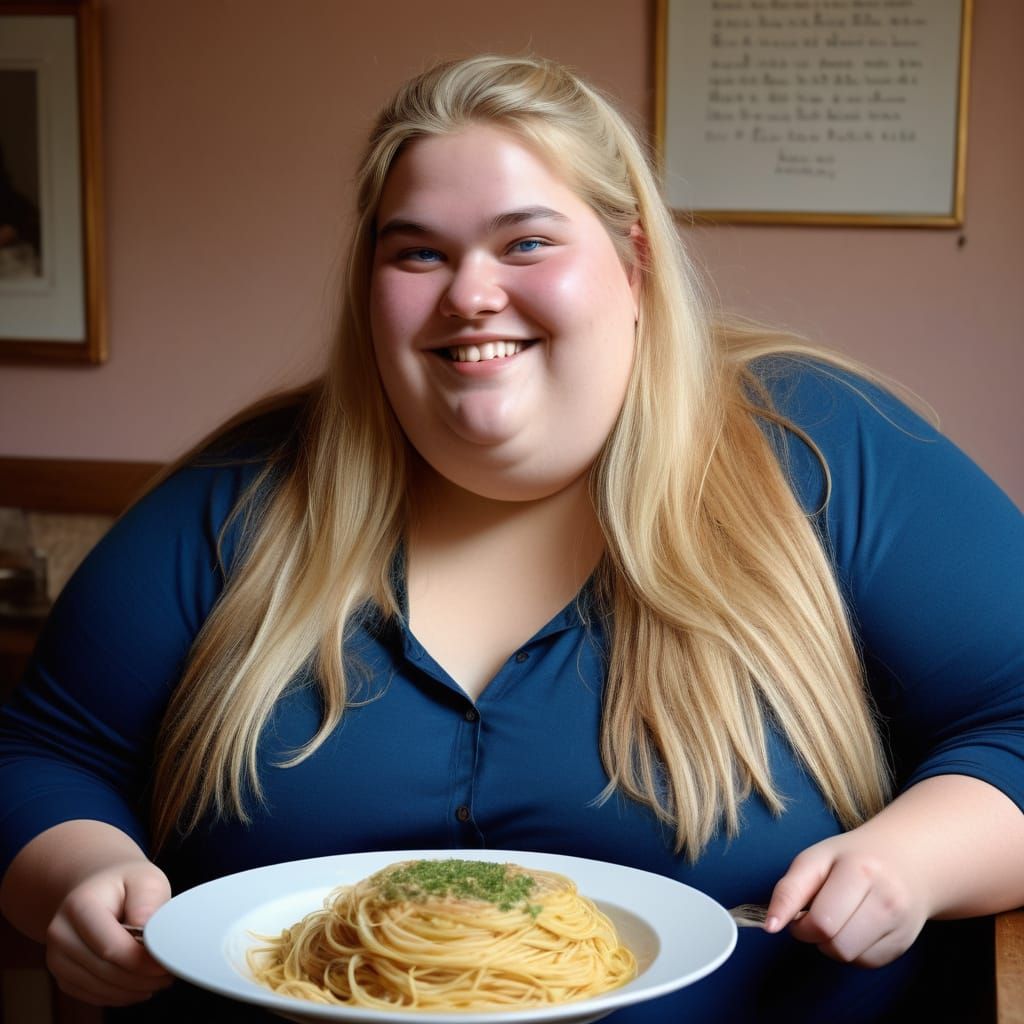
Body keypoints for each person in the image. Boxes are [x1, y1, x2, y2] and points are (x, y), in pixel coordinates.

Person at [1, 54, 1022, 1023]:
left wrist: (911, 861)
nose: (469, 293)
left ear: (631, 263)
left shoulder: (822, 446)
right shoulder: (245, 493)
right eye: (417, 252)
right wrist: (77, 871)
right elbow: (41, 751)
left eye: (526, 242)